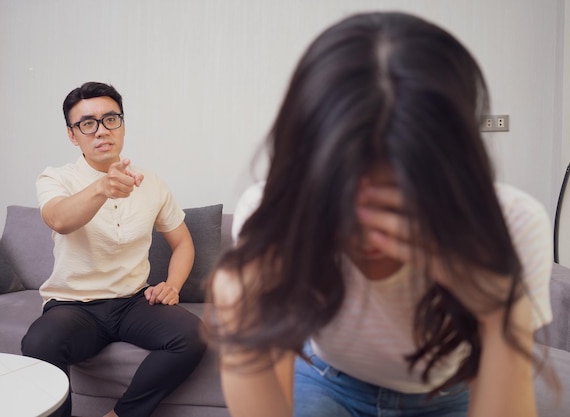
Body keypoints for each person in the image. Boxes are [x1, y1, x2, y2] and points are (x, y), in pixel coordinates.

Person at [204, 12, 556, 417]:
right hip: (325, 378)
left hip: (448, 391)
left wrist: (500, 314)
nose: (370, 239)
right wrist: (241, 327)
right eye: (343, 202)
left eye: (399, 207)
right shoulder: (277, 214)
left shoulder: (511, 225)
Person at [21, 81, 206, 417]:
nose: (101, 131)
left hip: (133, 301)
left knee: (193, 335)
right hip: (74, 304)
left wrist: (173, 285)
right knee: (38, 343)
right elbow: (58, 219)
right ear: (72, 135)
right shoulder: (55, 178)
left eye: (111, 119)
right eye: (87, 124)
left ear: (122, 125)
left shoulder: (152, 182)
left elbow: (183, 243)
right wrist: (102, 187)